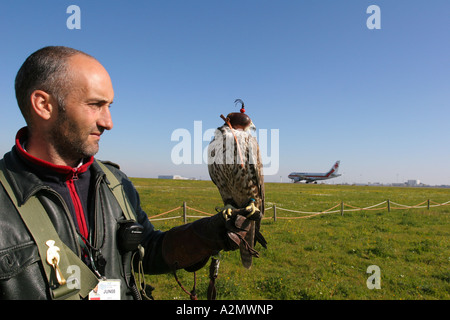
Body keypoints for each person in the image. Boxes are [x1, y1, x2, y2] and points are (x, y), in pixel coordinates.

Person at [0, 46, 261, 300]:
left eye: (109, 106)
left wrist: (204, 236)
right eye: (95, 105)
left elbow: (148, 251)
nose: (108, 122)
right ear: (44, 105)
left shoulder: (116, 184)